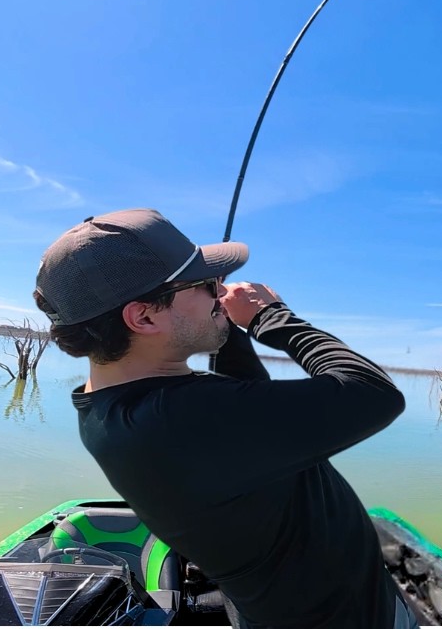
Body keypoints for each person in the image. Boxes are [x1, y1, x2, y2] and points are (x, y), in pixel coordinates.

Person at [32, 208, 418, 629]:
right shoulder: (180, 419)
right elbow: (374, 394)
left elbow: (242, 403)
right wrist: (271, 317)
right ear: (143, 317)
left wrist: (219, 321)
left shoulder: (117, 405)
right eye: (204, 284)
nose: (221, 290)